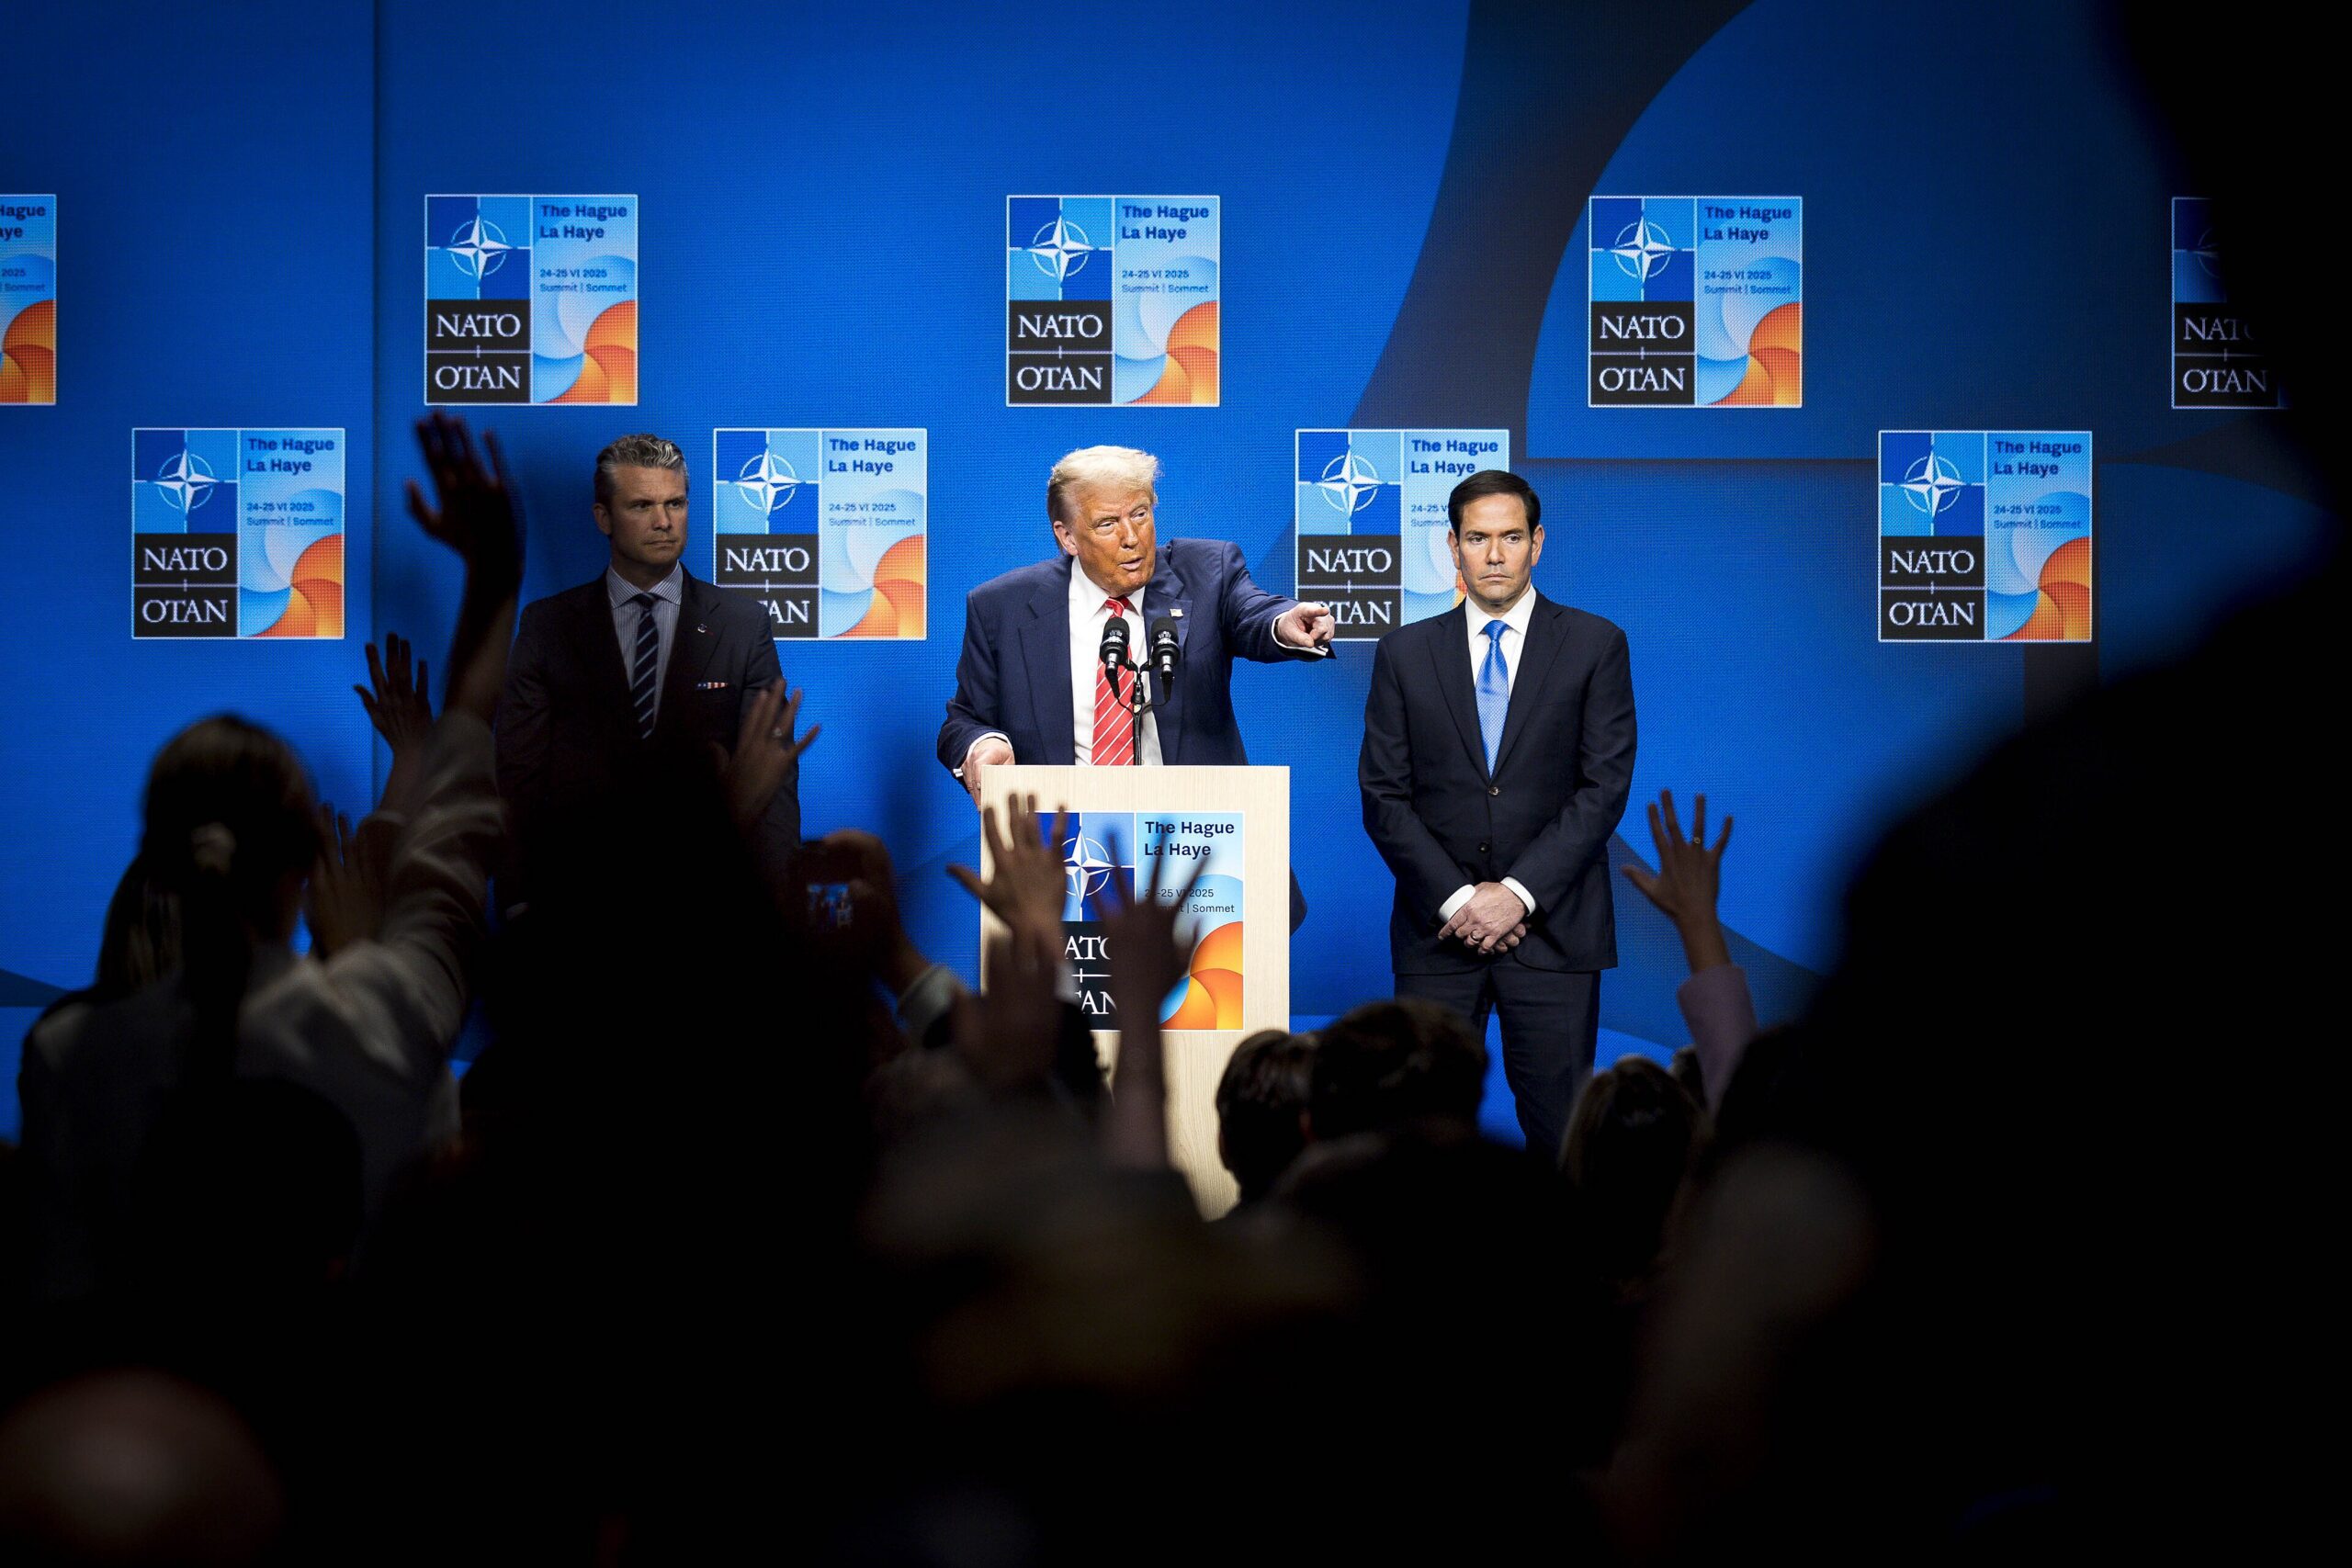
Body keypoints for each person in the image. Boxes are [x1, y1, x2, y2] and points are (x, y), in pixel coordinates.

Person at [15, 413, 519, 1303]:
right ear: (302, 866)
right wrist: (494, 580)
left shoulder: (70, 1058)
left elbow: (56, 1293)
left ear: (156, 865)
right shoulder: (384, 1016)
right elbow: (456, 830)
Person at [1358, 468, 1635, 1160]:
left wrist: (1515, 895)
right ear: (1450, 547)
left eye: (1511, 536)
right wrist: (1460, 900)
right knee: (1415, 1146)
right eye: (1477, 538)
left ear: (1537, 543)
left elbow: (1603, 788)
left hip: (1555, 936)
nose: (1494, 553)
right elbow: (1383, 797)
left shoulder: (1596, 644)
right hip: (1437, 938)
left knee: (1565, 1143)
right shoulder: (1403, 653)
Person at [496, 433, 809, 907]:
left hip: (709, 905)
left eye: (676, 503)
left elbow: (773, 784)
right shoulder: (548, 627)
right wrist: (518, 903)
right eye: (642, 506)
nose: (664, 522)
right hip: (576, 909)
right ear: (604, 517)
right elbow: (519, 780)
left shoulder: (743, 626)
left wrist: (779, 907)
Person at [936, 445, 1334, 795]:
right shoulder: (1001, 607)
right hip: (1065, 839)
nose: (1132, 537)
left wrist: (1283, 623)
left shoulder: (1208, 572)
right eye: (1107, 523)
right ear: (1068, 537)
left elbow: (1252, 613)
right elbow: (965, 720)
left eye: (1140, 514)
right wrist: (982, 746)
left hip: (1196, 835)